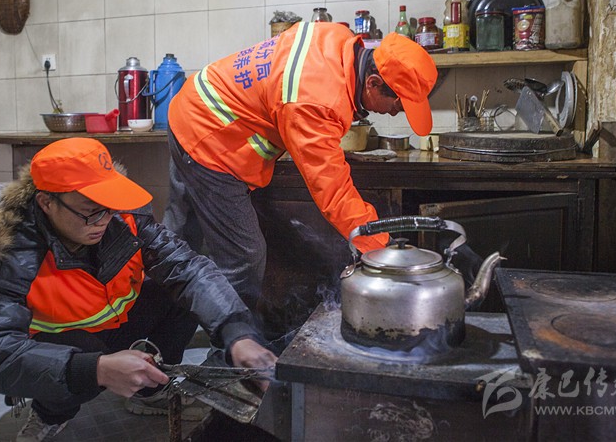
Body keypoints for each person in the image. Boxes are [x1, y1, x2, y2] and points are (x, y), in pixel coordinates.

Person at [0, 138, 277, 442]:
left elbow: (187, 268)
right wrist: (96, 369)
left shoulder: (124, 218)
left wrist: (237, 333)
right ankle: (50, 415)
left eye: (108, 207)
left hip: (113, 324)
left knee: (177, 293)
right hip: (62, 345)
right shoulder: (9, 252)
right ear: (47, 203)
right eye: (90, 211)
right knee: (80, 350)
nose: (103, 220)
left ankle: (150, 393)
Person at [163, 23, 438, 313]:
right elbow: (333, 192)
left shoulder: (338, 40)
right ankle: (233, 340)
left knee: (175, 247)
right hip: (209, 138)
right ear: (372, 83)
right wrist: (381, 245)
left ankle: (158, 334)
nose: (396, 112)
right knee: (244, 259)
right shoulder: (316, 99)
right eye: (398, 104)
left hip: (192, 105)